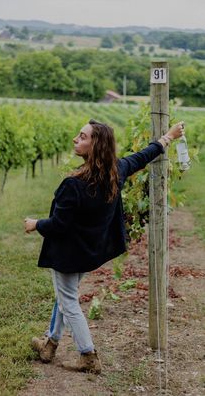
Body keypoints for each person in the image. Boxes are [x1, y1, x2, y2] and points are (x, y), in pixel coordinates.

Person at [24, 118, 185, 374]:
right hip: (88, 253)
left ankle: (88, 355)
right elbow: (142, 156)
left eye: (83, 136)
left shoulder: (73, 185)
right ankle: (50, 343)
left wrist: (35, 224)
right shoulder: (116, 172)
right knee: (65, 297)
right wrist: (167, 138)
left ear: (95, 146)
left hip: (67, 254)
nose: (76, 139)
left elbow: (58, 225)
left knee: (68, 302)